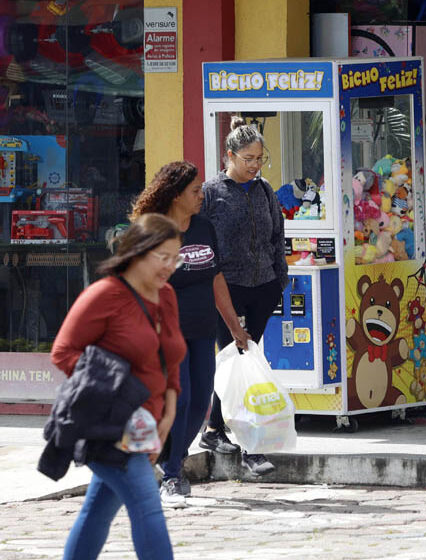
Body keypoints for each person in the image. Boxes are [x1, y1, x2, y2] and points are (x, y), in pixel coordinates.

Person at [51, 214, 187, 559]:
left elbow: (170, 357)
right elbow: (63, 352)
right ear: (138, 252)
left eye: (176, 258)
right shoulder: (105, 295)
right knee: (148, 508)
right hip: (108, 425)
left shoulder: (167, 296)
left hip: (147, 424)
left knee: (97, 509)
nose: (170, 266)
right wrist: (109, 391)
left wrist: (168, 414)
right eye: (163, 257)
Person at [130, 161, 249, 506]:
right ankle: (171, 475)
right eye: (195, 191)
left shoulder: (204, 227)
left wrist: (234, 327)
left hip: (202, 330)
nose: (202, 195)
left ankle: (169, 459)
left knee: (200, 402)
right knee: (178, 399)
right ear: (175, 195)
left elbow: (215, 278)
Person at [200, 116, 289, 476]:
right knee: (236, 357)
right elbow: (202, 243)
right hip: (227, 288)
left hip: (263, 286)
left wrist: (279, 279)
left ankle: (214, 428)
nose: (254, 166)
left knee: (245, 361)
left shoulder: (265, 190)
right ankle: (249, 446)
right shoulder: (211, 192)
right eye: (248, 159)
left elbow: (277, 236)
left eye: (259, 159)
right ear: (230, 156)